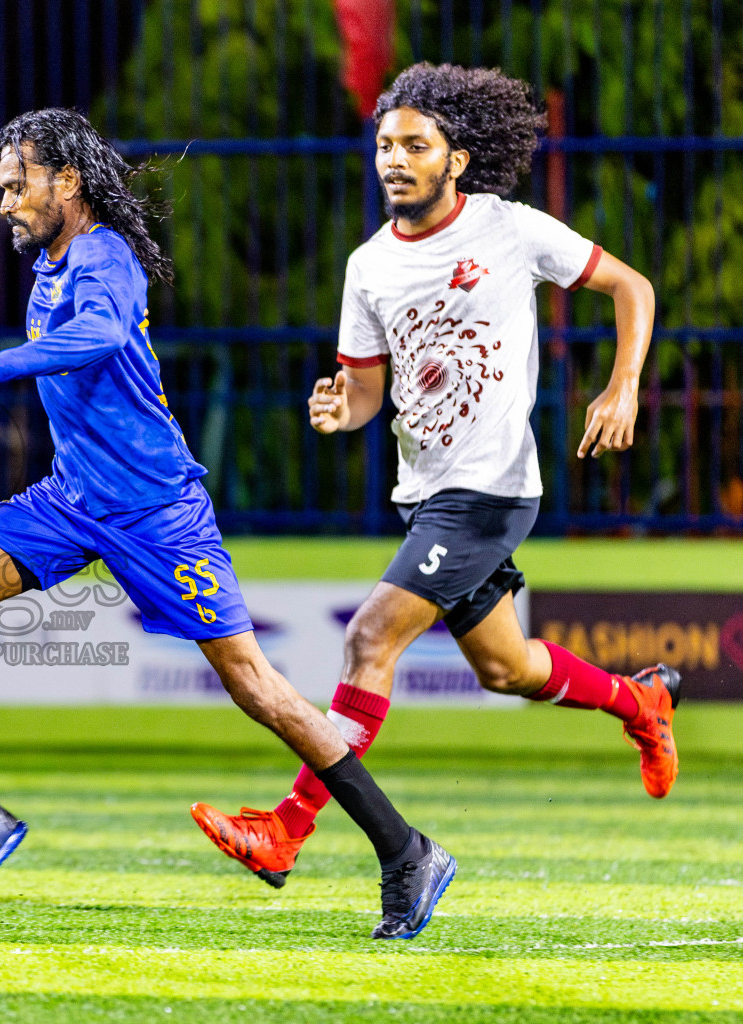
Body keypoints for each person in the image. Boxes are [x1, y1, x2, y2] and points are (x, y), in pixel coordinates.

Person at [0, 108, 455, 940]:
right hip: (70, 499)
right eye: (1, 189)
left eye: (18, 186)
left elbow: (101, 334)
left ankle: (406, 849)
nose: (4, 203)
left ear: (66, 182)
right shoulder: (49, 263)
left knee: (257, 689)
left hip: (158, 513)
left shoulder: (104, 255)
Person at [194, 64, 676, 890]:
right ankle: (640, 704)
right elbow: (366, 397)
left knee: (368, 638)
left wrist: (623, 383)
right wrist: (336, 412)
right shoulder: (368, 266)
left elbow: (631, 286)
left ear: (456, 159)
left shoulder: (509, 228)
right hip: (426, 496)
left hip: (490, 492)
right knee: (507, 668)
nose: (396, 159)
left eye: (416, 145)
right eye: (386, 144)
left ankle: (286, 828)